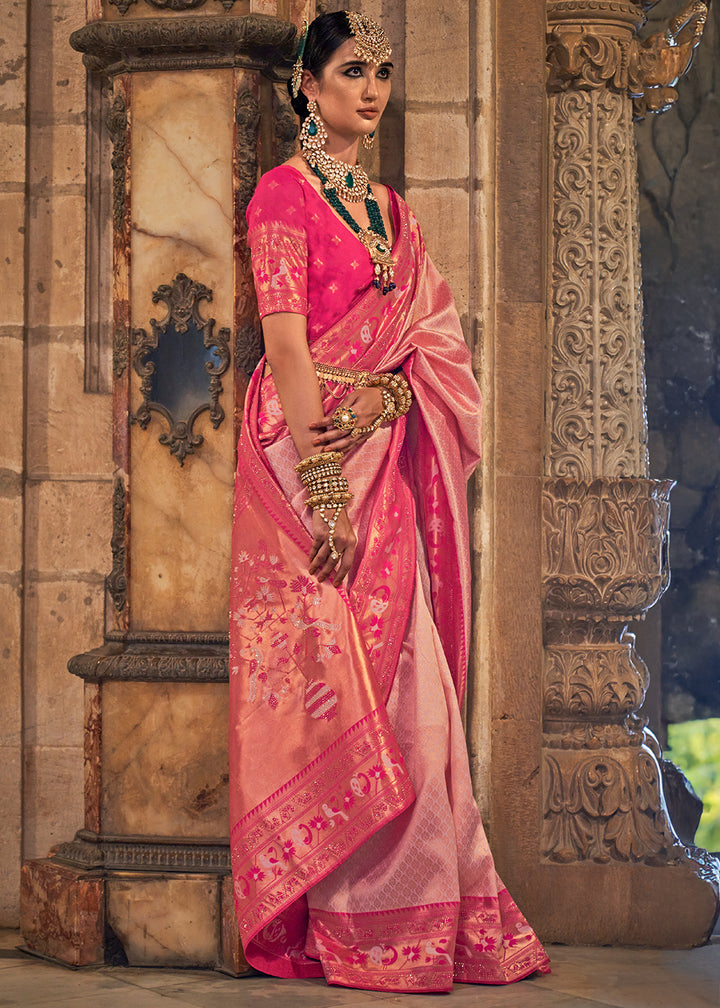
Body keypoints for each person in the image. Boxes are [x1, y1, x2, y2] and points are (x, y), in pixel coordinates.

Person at [229, 10, 550, 994]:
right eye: (350, 70)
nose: (370, 87)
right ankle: (344, 924)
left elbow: (427, 349)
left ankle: (426, 916)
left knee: (411, 682)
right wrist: (324, 489)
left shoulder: (393, 211)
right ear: (307, 86)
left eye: (381, 70)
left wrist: (395, 397)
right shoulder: (280, 198)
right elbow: (286, 347)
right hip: (308, 465)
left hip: (387, 464)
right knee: (331, 686)